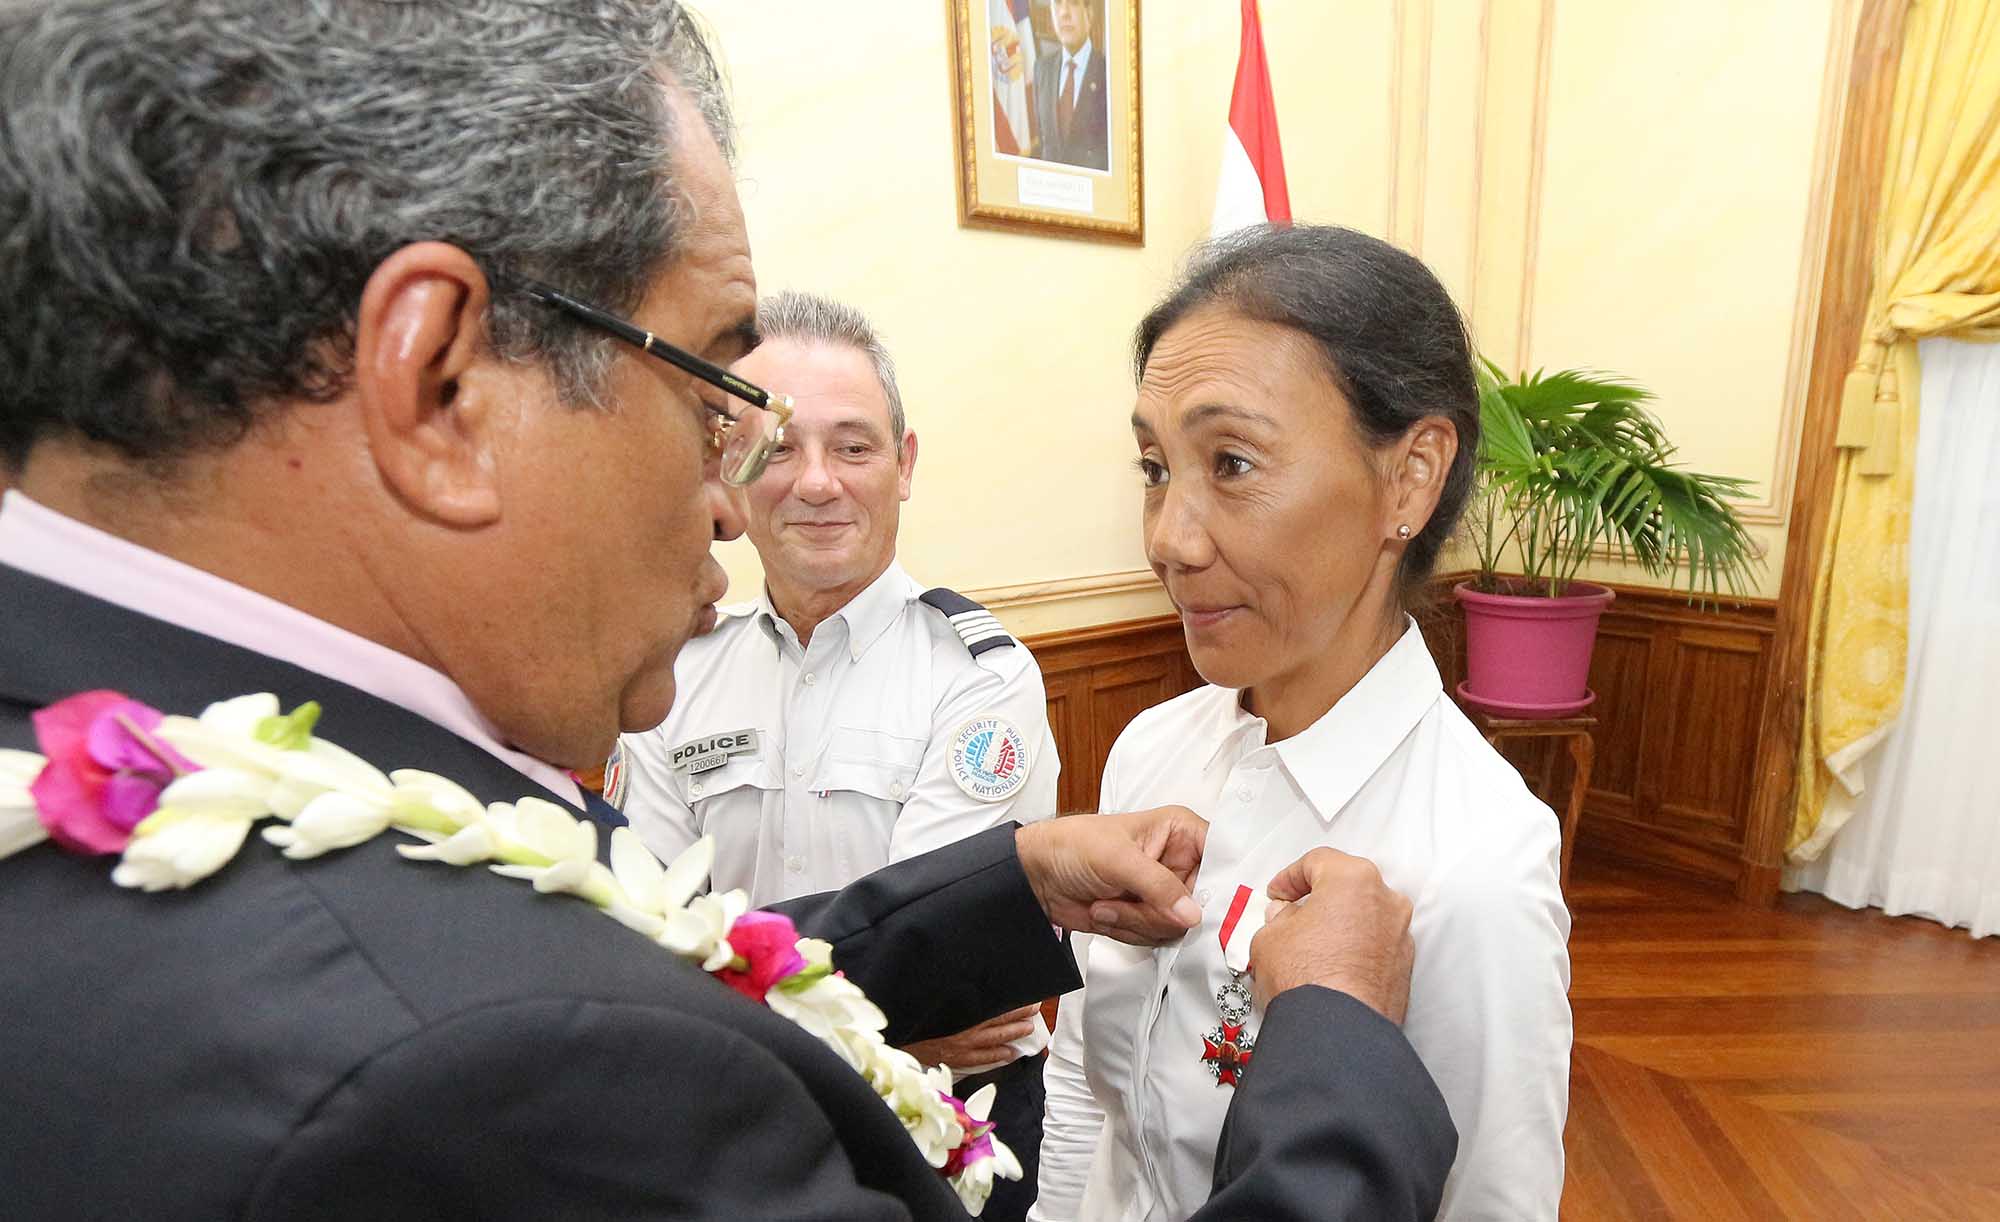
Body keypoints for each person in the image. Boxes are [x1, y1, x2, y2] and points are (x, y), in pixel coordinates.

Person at [0, 3, 1456, 1218]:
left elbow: (633, 931)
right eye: (713, 388)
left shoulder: (111, 746)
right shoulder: (479, 1078)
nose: (738, 493)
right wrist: (1332, 1043)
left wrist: (1005, 881)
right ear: (436, 383)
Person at [1033, 224, 1574, 1221]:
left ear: (1407, 478)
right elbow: (1081, 1088)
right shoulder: (1151, 748)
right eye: (1155, 468)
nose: (1168, 538)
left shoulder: (1470, 865)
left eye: (1231, 462)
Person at [616, 290, 1060, 1220]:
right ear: (727, 466)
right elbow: (644, 946)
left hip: (951, 1126)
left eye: (853, 447)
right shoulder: (675, 674)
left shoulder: (978, 676)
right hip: (747, 1119)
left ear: (902, 466)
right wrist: (905, 1017)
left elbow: (943, 958)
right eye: (776, 447)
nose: (815, 482)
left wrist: (726, 996)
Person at [1031, 0, 1109, 171]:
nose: (1064, 13)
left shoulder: (1109, 73)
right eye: (1057, 3)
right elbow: (1044, 145)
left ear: (1089, 13)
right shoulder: (1041, 70)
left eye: (1073, 3)